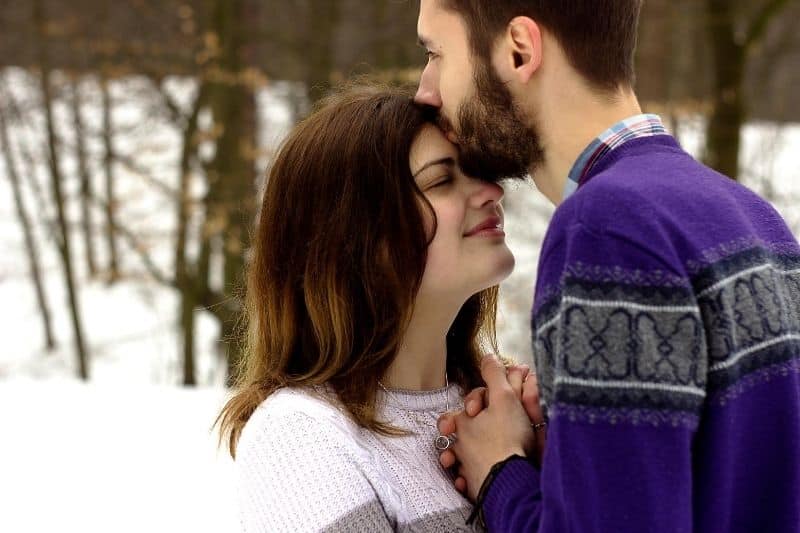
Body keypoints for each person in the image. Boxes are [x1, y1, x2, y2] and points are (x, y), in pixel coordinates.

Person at [413, 1, 800, 531]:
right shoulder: (752, 217)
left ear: (519, 50)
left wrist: (500, 470)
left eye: (436, 54)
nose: (425, 90)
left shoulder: (606, 231)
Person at [216, 85, 534, 532]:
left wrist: (545, 467)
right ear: (356, 239)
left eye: (476, 171)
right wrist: (504, 473)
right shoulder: (303, 437)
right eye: (441, 180)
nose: (490, 191)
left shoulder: (500, 412)